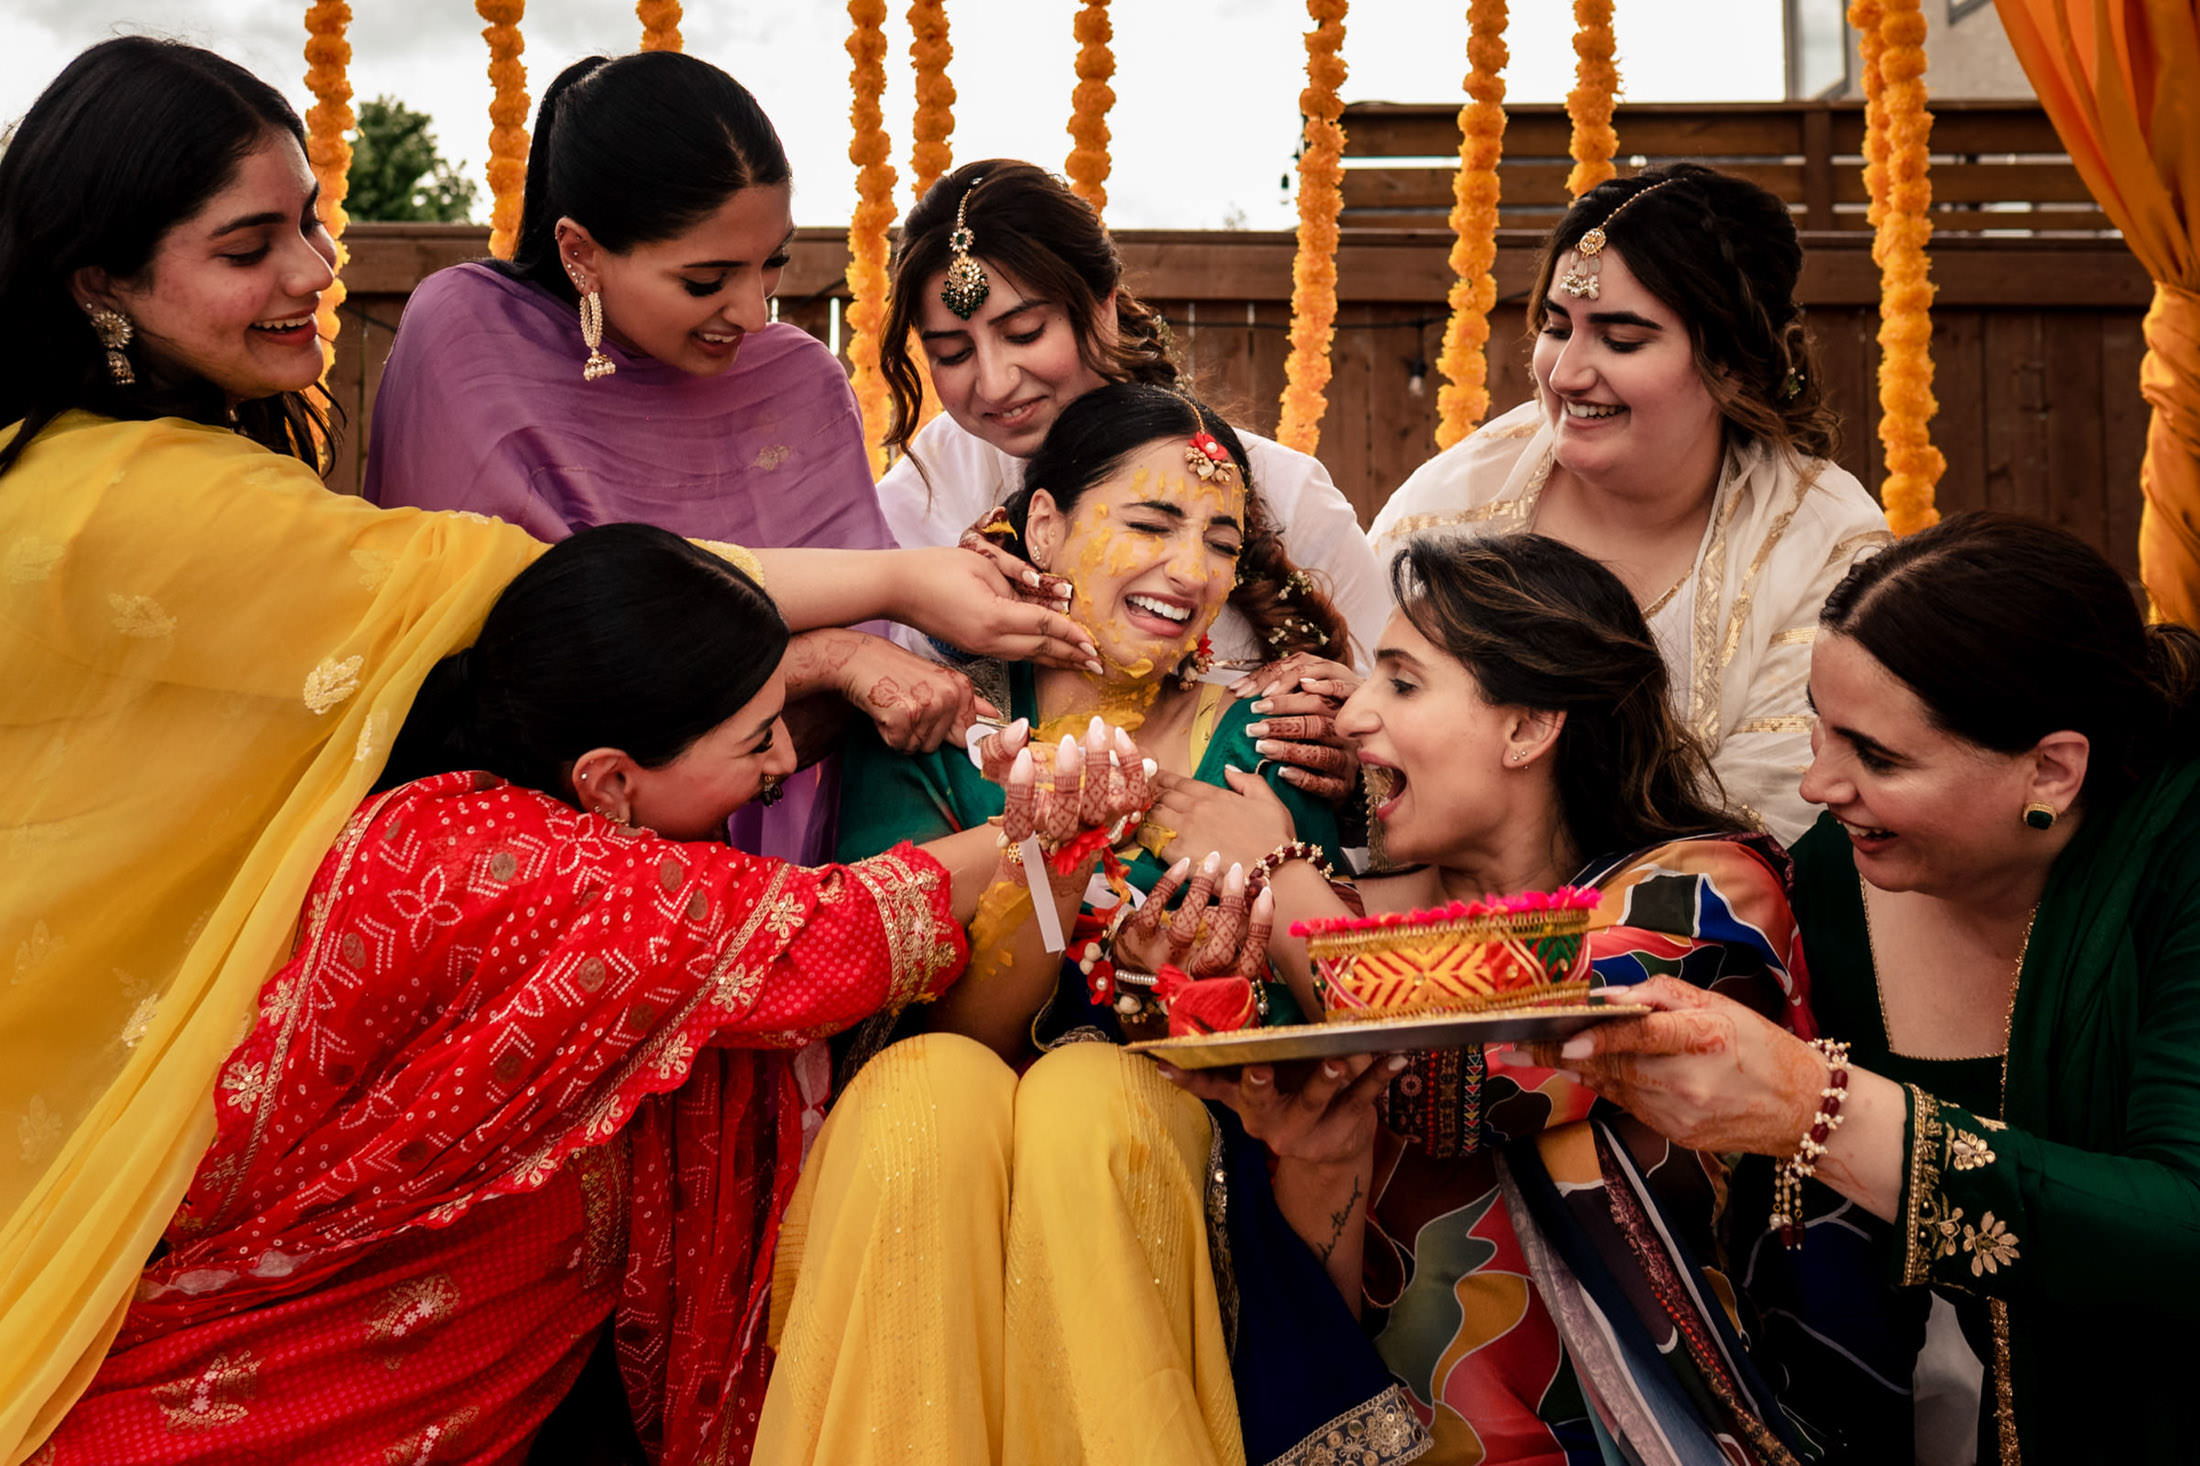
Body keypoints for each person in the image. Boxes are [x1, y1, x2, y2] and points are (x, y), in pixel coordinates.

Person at [0, 38, 1102, 1458]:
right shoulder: (128, 498)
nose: (314, 270)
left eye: (315, 221)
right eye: (249, 244)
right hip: (137, 1062)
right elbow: (500, 586)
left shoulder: (128, 461)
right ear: (101, 282)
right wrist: (911, 632)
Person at [39, 524, 1149, 1464]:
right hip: (287, 1389)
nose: (782, 764)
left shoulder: (446, 813)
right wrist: (1031, 822)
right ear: (609, 777)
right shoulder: (545, 876)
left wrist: (838, 661)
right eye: (756, 736)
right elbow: (827, 935)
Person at [754, 384, 1391, 1466]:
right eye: (1150, 522)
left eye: (1219, 539)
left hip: (1191, 1172)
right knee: (925, 1096)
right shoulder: (926, 726)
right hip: (943, 1143)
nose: (1189, 570)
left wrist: (1203, 961)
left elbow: (1331, 1034)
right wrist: (1049, 861)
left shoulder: (1272, 737)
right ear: (1042, 524)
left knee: (1092, 1098)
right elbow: (938, 1029)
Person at [1553, 511, 2200, 1465]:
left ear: (2053, 770)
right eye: (1818, 731)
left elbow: (2179, 1232)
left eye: (1878, 756)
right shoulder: (1837, 883)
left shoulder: (2180, 858)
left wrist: (1815, 1108)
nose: (1817, 785)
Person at [1155, 534, 1816, 1464]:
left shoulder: (1703, 899)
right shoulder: (1335, 927)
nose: (1352, 718)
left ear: (1527, 727)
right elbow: (1299, 1271)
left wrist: (1276, 873)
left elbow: (1467, 1069)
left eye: (1403, 683)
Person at [364, 51, 1001, 863]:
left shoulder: (796, 379)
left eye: (772, 264)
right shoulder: (468, 339)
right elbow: (518, 674)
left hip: (790, 865)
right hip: (534, 872)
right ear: (581, 252)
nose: (751, 310)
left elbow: (868, 669)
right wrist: (824, 657)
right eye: (706, 280)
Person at [1368, 163, 1890, 842]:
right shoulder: (1457, 500)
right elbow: (1358, 730)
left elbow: (1765, 832)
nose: (1567, 373)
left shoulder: (1822, 544)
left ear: (1731, 362)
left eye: (1620, 340)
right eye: (1557, 328)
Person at [874, 158, 1392, 799]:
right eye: (952, 352)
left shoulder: (1284, 492)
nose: (995, 381)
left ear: (1105, 308)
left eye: (1025, 332)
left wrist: (1357, 744)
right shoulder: (931, 487)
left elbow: (1404, 735)